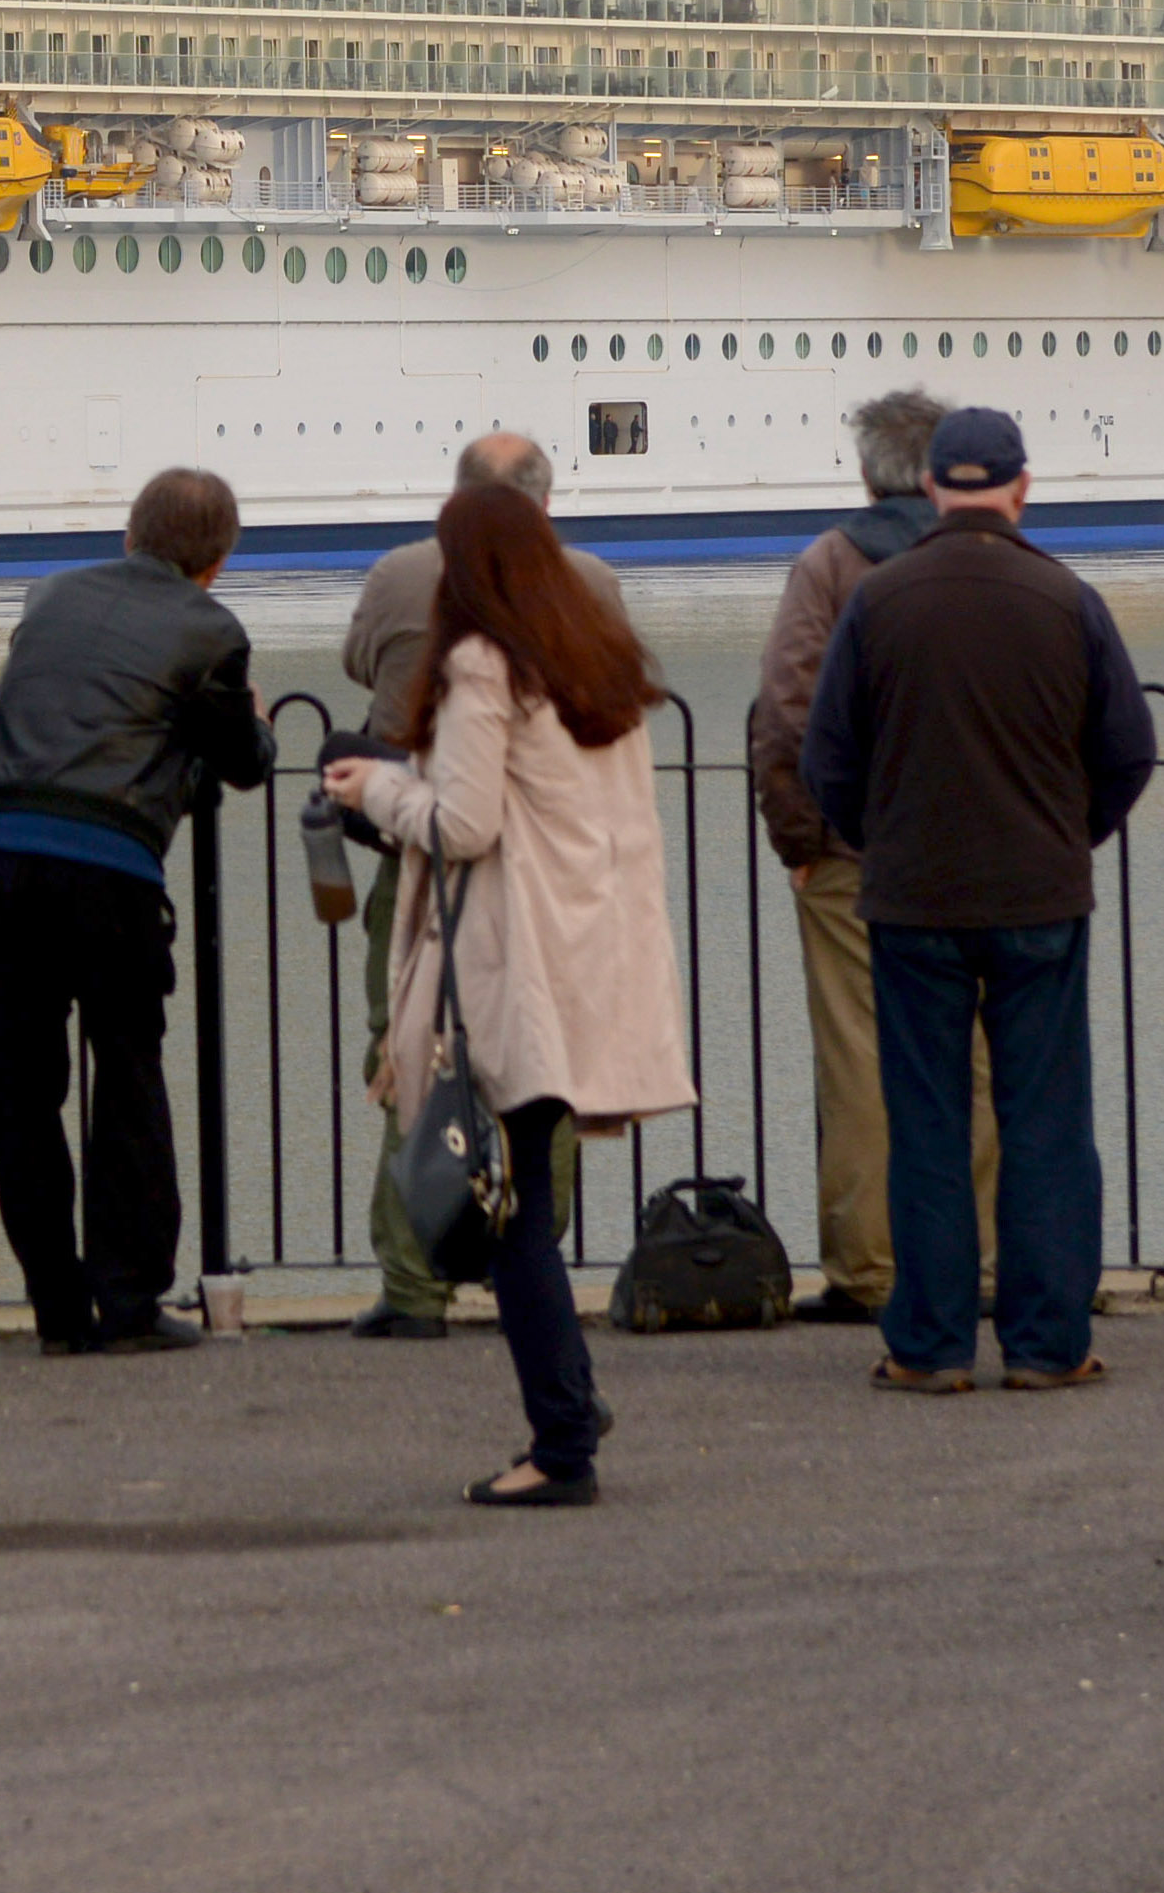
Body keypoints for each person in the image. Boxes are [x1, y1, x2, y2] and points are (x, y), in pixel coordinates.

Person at [327, 480, 697, 1505]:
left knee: (513, 1218)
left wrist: (376, 789)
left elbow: (464, 824)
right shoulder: (597, 660)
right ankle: (570, 1404)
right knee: (525, 1194)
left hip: (517, 965)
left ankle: (563, 1443)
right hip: (591, 955)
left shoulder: (484, 663)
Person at [799, 408, 1153, 1397]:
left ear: (930, 487)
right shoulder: (1067, 599)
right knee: (1044, 1120)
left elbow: (825, 761)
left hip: (914, 900)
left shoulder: (879, 601)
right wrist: (1066, 836)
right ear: (1021, 488)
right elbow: (1128, 752)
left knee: (927, 1121)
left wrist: (886, 842)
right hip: (1040, 895)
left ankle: (930, 1344)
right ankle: (1047, 1343)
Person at [0, 465, 273, 1353]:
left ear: (131, 534)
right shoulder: (211, 628)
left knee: (18, 1092)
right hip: (106, 867)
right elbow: (240, 759)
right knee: (127, 1074)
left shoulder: (48, 594)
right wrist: (255, 723)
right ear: (215, 563)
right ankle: (130, 1303)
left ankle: (57, 1310)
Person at [344, 429, 586, 1336]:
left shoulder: (402, 574)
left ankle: (414, 1284)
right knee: (544, 1064)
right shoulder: (588, 584)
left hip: (427, 865)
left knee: (409, 1052)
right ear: (544, 502)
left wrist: (377, 788)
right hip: (554, 881)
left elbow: (359, 665)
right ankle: (534, 1264)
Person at [746, 387, 955, 1329]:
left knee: (861, 1063)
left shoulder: (830, 563)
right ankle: (984, 1258)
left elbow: (787, 709)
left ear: (867, 470)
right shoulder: (996, 558)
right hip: (981, 853)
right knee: (982, 1060)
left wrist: (805, 837)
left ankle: (870, 1268)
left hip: (850, 854)